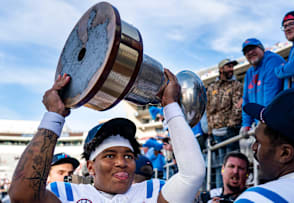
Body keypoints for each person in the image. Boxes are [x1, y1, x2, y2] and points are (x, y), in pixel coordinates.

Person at [9, 69, 206, 203]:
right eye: (110, 155)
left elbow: (193, 174)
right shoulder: (68, 194)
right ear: (91, 166)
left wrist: (170, 104)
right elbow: (21, 195)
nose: (121, 162)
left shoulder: (151, 193)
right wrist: (54, 115)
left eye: (128, 156)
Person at [206, 58, 243, 188]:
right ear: (221, 69)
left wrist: (231, 125)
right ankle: (218, 192)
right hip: (216, 133)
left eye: (232, 66)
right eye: (228, 66)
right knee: (219, 166)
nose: (231, 69)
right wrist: (210, 132)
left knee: (232, 164)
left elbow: (237, 107)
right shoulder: (211, 88)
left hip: (230, 131)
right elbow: (208, 110)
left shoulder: (236, 85)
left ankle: (229, 192)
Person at [241, 38, 284, 134]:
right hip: (262, 122)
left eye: (253, 48)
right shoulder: (249, 72)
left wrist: (264, 120)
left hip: (275, 120)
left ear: (261, 48)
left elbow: (271, 93)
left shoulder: (272, 60)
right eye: (246, 51)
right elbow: (246, 100)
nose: (250, 52)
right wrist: (246, 124)